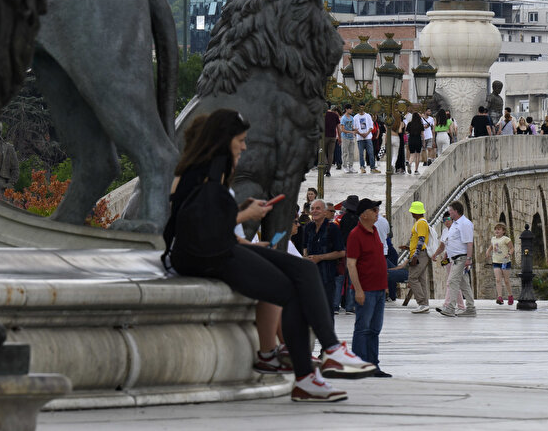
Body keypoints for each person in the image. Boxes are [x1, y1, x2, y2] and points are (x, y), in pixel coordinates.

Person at [164, 110, 374, 401]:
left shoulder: (213, 171)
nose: (244, 146)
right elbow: (196, 227)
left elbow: (210, 221)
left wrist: (241, 222)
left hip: (221, 249)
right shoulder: (200, 174)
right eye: (240, 140)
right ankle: (307, 376)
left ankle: (331, 350)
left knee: (304, 270)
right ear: (223, 140)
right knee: (289, 290)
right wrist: (244, 215)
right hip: (207, 257)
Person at [345, 198, 391, 378]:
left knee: (374, 329)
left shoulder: (375, 231)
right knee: (363, 328)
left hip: (379, 288)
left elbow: (378, 259)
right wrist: (358, 289)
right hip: (366, 289)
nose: (377, 212)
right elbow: (351, 264)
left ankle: (373, 365)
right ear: (364, 214)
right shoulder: (355, 235)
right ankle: (359, 364)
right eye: (374, 209)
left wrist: (385, 286)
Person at [432, 201, 476, 317]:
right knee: (464, 284)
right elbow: (451, 241)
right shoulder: (455, 224)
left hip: (461, 258)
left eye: (450, 210)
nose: (449, 212)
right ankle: (471, 308)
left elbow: (469, 243)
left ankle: (450, 308)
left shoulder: (464, 224)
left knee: (452, 281)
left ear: (456, 211)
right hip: (454, 258)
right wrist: (447, 253)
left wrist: (469, 259)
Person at [302, 199, 344, 318]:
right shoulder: (308, 227)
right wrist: (306, 258)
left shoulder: (333, 228)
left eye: (318, 208)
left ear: (325, 212)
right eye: (312, 209)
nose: (314, 211)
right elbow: (305, 247)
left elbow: (341, 252)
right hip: (311, 276)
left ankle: (327, 335)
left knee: (326, 311)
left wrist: (320, 258)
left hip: (327, 276)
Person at [406, 201, 433, 313]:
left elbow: (421, 239)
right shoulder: (420, 222)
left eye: (413, 211)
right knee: (421, 279)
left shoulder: (421, 223)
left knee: (412, 278)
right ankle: (425, 304)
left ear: (416, 212)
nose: (411, 213)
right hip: (419, 253)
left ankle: (421, 303)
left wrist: (415, 255)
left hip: (420, 255)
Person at [491, 222, 514, 305]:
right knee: (498, 279)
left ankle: (510, 296)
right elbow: (492, 246)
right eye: (496, 229)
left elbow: (511, 248)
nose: (497, 231)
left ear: (503, 231)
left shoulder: (506, 239)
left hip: (505, 261)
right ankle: (499, 297)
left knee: (506, 280)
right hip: (496, 261)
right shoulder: (493, 239)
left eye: (499, 229)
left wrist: (509, 254)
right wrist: (487, 251)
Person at [352, 105, 375, 174]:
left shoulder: (368, 116)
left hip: (368, 137)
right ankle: (362, 167)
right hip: (360, 138)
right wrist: (361, 134)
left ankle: (372, 167)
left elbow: (371, 126)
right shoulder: (355, 117)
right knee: (361, 154)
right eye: (360, 107)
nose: (361, 108)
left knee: (371, 153)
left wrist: (367, 133)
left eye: (362, 107)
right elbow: (354, 127)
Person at [321, 104, 340, 177]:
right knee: (331, 153)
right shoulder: (335, 115)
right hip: (333, 137)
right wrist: (340, 138)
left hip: (324, 136)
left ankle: (325, 163)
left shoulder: (322, 115)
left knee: (322, 151)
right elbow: (338, 128)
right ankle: (328, 171)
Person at [338, 106, 355, 173]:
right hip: (345, 137)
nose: (351, 110)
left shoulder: (352, 118)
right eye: (350, 109)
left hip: (351, 137)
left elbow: (352, 127)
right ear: (346, 109)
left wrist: (355, 130)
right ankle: (344, 166)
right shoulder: (343, 118)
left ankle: (351, 166)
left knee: (351, 153)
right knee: (345, 152)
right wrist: (351, 131)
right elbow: (342, 129)